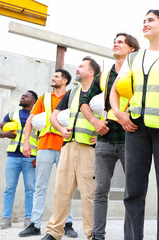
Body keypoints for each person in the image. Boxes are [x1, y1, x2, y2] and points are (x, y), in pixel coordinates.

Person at [110, 10, 159, 240]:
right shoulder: (133, 58)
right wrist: (118, 114)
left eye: (150, 20)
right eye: (144, 21)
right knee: (133, 192)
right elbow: (114, 91)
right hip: (136, 130)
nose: (145, 24)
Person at [79, 33, 140, 240]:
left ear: (132, 48)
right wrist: (95, 122)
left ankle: (130, 236)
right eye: (115, 41)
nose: (116, 43)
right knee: (100, 191)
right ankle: (97, 236)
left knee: (132, 193)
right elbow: (84, 102)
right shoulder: (103, 77)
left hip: (130, 139)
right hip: (104, 140)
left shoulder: (138, 72)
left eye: (121, 41)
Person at [41, 56, 101, 240]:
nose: (77, 68)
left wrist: (99, 136)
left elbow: (110, 117)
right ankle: (53, 232)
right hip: (68, 148)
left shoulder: (101, 95)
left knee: (89, 194)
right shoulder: (72, 93)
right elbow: (53, 117)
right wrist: (61, 129)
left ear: (91, 72)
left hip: (89, 150)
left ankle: (92, 234)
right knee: (61, 192)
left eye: (81, 66)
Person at [18, 69, 78, 238]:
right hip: (44, 145)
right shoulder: (44, 98)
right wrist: (26, 142)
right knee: (40, 187)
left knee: (67, 187)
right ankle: (35, 224)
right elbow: (31, 119)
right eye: (52, 76)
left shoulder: (72, 97)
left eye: (57, 76)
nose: (53, 78)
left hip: (65, 146)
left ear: (65, 81)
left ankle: (68, 224)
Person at [0, 90, 39, 230]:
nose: (22, 97)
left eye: (26, 96)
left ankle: (28, 219)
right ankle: (6, 219)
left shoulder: (39, 117)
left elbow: (42, 137)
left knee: (30, 189)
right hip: (13, 156)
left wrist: (38, 156)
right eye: (22, 96)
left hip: (30, 157)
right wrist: (4, 134)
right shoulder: (12, 114)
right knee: (9, 188)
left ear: (33, 101)